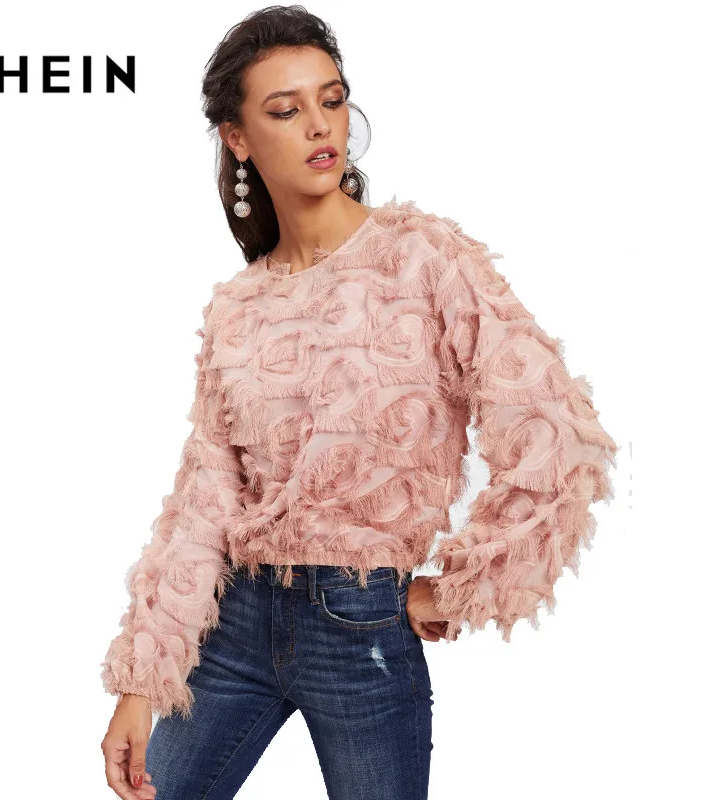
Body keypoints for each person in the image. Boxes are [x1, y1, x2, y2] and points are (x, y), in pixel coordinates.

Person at [99, 7, 618, 800]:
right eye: (285, 110)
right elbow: (204, 501)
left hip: (362, 625)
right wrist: (142, 682)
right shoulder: (239, 308)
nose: (319, 126)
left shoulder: (423, 258)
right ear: (238, 138)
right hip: (235, 624)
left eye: (332, 100)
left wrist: (458, 587)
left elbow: (557, 436)